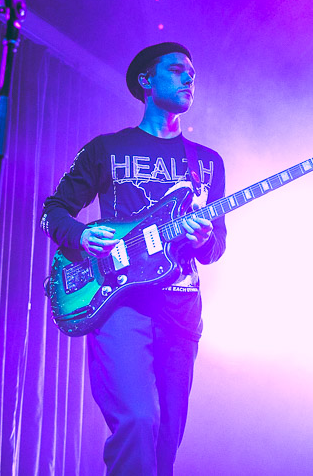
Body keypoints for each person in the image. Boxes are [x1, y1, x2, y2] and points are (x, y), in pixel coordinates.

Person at [40, 42, 226, 475]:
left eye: (192, 72)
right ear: (146, 80)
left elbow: (217, 248)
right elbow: (53, 212)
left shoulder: (208, 163)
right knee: (139, 422)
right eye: (177, 70)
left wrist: (202, 239)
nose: (188, 78)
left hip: (181, 308)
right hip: (119, 303)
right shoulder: (107, 148)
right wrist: (83, 234)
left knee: (166, 441)